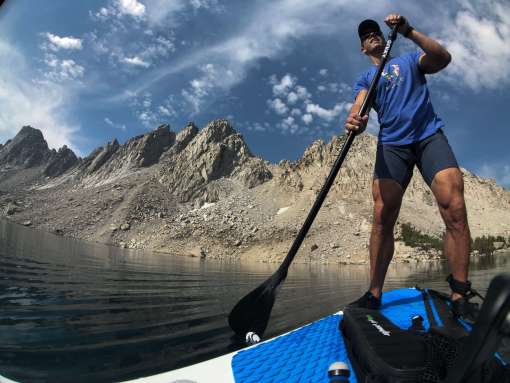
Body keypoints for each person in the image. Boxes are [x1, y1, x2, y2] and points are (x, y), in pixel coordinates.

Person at [345, 14, 475, 317]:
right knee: (382, 215)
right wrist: (355, 119)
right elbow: (359, 105)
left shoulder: (408, 61)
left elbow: (442, 57)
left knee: (454, 207)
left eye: (375, 32)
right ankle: (373, 294)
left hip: (429, 136)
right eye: (366, 36)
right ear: (363, 49)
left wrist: (408, 31)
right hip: (392, 145)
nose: (372, 36)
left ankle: (460, 294)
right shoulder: (366, 78)